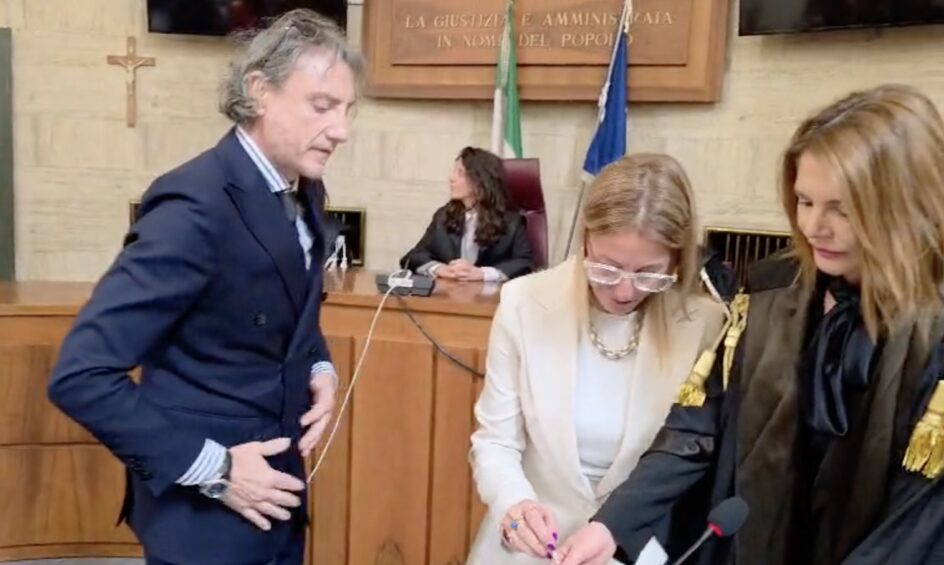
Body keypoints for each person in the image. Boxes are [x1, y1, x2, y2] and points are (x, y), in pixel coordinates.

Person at [555, 84, 944, 565]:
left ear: (904, 203)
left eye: (841, 209)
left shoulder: (933, 331)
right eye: (804, 201)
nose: (813, 227)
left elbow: (919, 523)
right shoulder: (770, 291)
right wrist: (612, 524)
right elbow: (696, 430)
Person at [46, 10, 362, 565]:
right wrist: (217, 470)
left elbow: (292, 308)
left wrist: (320, 368)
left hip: (278, 499)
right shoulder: (194, 206)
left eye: (347, 110)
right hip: (205, 520)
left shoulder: (304, 187)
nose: (341, 130)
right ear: (260, 92)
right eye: (321, 106)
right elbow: (81, 376)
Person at [467, 154, 728, 564]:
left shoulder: (705, 324)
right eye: (607, 268)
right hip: (532, 545)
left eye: (649, 273)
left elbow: (688, 460)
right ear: (586, 239)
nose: (624, 291)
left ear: (677, 259)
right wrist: (513, 502)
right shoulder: (525, 302)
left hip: (637, 548)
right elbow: (496, 440)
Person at [400, 146, 535, 282]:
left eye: (460, 173)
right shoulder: (443, 216)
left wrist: (482, 273)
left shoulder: (511, 221)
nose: (451, 178)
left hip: (488, 294)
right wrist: (439, 268)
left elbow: (525, 262)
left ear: (480, 180)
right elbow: (414, 256)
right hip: (449, 292)